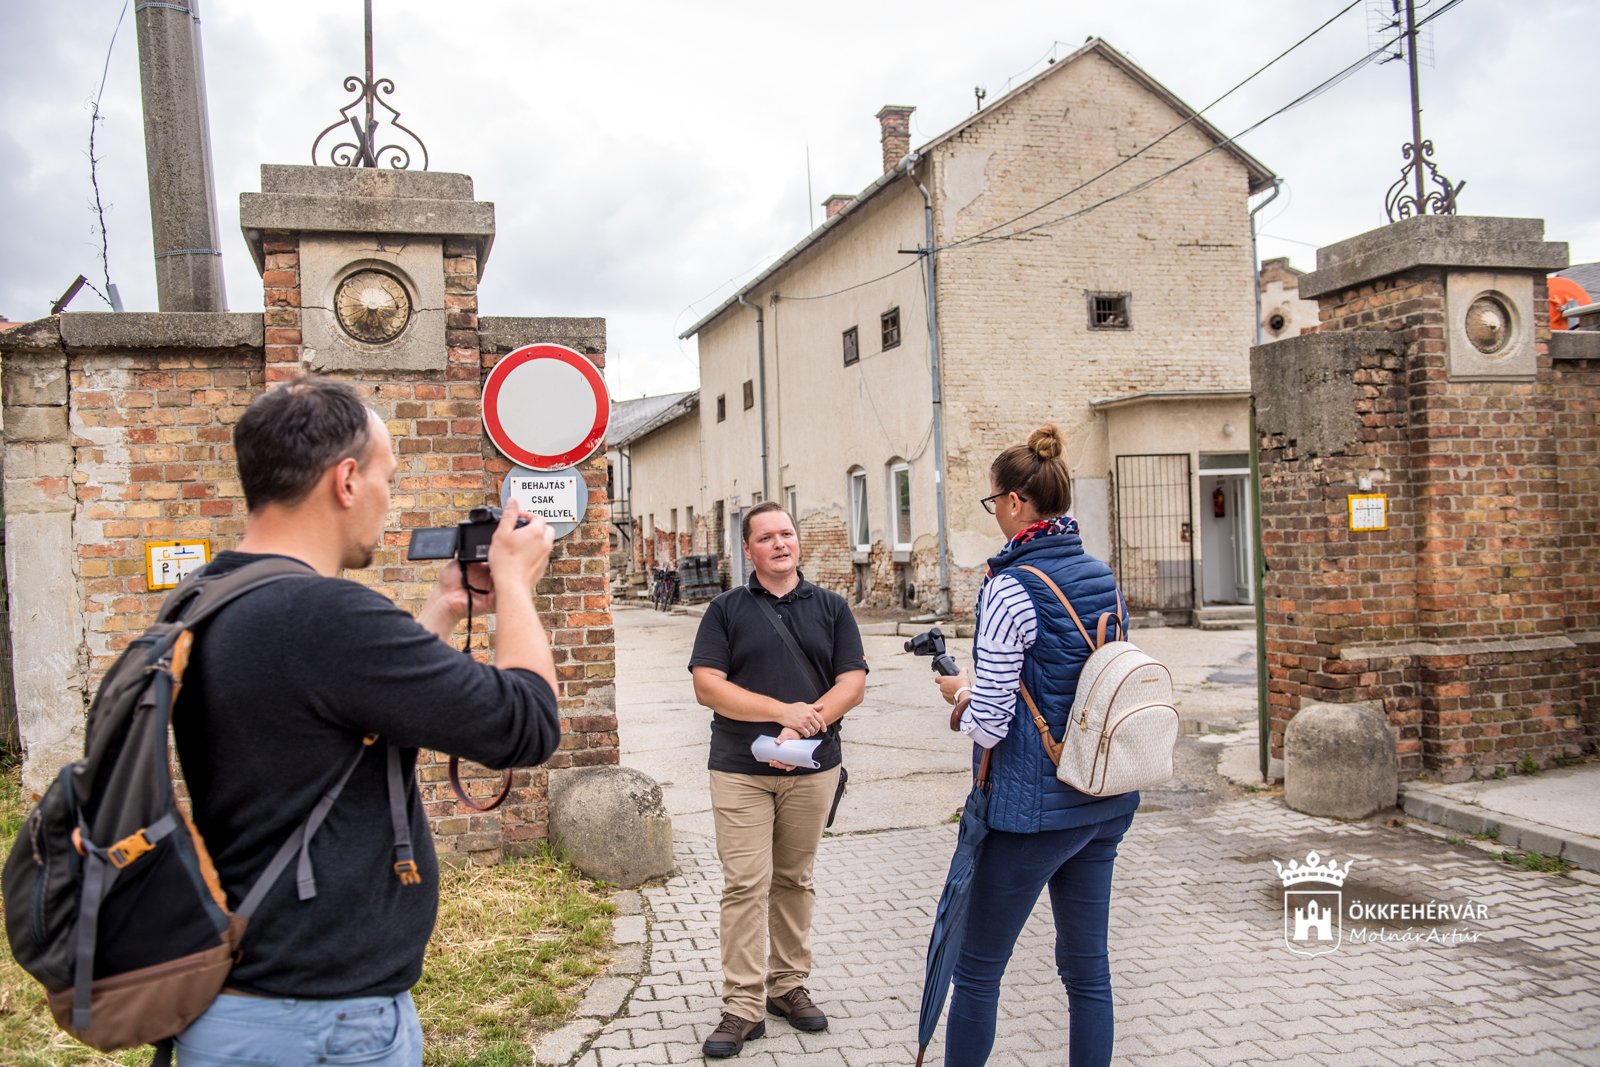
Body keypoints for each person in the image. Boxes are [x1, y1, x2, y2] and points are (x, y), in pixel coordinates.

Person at [169, 376, 563, 1064]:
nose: (391, 497)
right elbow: (526, 723)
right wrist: (515, 585)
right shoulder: (323, 616)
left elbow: (352, 714)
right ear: (346, 480)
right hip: (320, 1021)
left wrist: (443, 608)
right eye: (389, 476)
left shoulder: (204, 598)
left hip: (237, 1001)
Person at [933, 424, 1137, 1067]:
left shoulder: (1007, 588)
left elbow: (993, 722)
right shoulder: (1100, 575)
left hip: (1030, 812)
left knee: (977, 969)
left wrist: (961, 702)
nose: (993, 513)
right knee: (1087, 970)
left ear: (1017, 503)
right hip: (1101, 796)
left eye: (992, 502)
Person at [688, 501, 868, 1058]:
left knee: (794, 878)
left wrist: (805, 724)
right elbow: (708, 686)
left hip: (813, 764)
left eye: (787, 533)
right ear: (749, 550)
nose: (780, 543)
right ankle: (741, 1006)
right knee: (745, 883)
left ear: (798, 542)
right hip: (741, 769)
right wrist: (781, 711)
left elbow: (852, 682)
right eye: (766, 537)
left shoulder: (833, 608)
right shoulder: (724, 610)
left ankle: (787, 987)